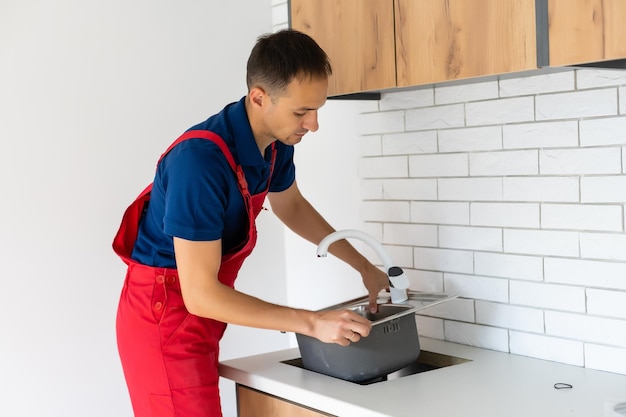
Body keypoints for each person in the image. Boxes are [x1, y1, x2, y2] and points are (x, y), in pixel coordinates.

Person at [112, 29, 389, 417]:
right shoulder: (199, 163)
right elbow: (200, 294)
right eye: (301, 112)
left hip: (199, 314)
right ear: (259, 97)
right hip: (164, 317)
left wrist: (364, 267)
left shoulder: (275, 144)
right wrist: (312, 323)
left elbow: (291, 207)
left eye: (317, 109)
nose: (313, 125)